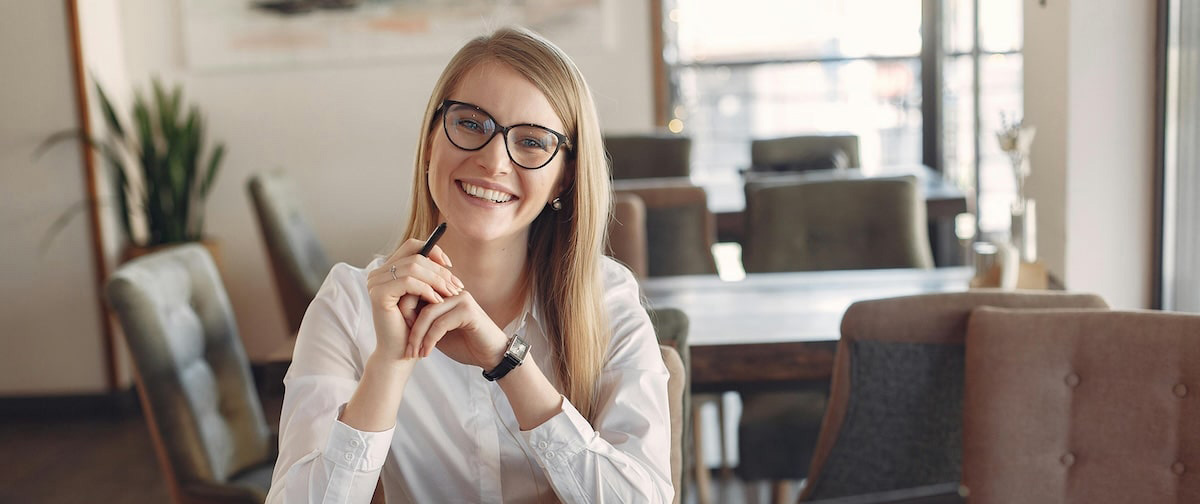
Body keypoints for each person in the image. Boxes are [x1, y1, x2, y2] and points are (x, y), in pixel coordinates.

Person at [266, 27, 672, 503]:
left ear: (564, 178)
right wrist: (389, 365)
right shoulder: (348, 303)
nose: (495, 161)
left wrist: (508, 361)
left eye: (533, 142)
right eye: (472, 124)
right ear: (429, 143)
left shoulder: (606, 299)